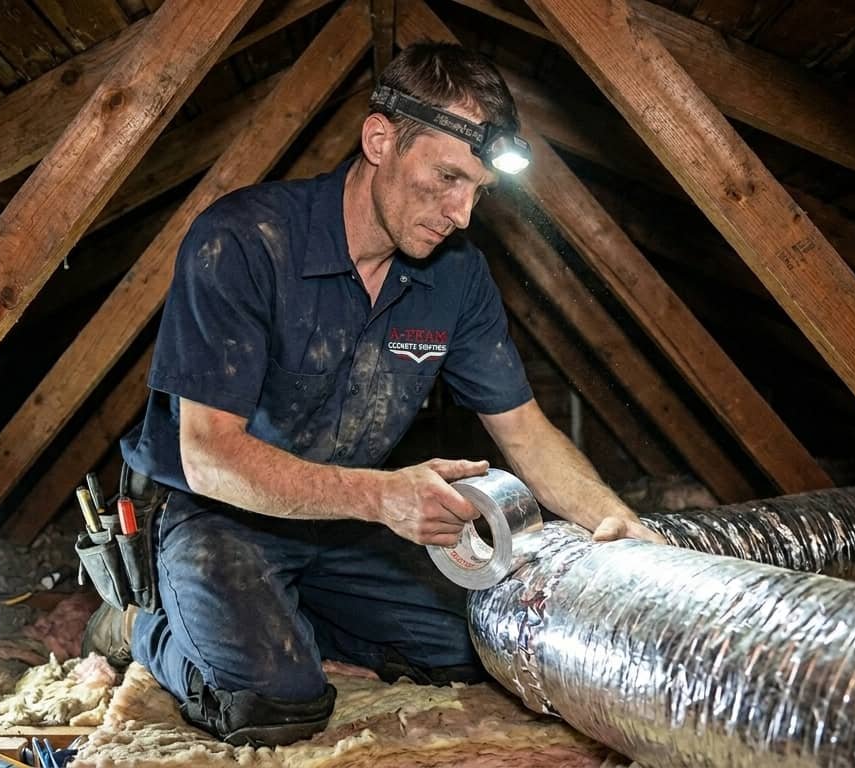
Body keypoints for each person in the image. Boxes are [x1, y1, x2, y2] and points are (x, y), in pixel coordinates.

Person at [84, 42, 664, 747]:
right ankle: (141, 624)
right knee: (272, 702)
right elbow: (209, 457)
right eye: (448, 177)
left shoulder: (458, 276)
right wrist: (383, 498)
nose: (463, 213)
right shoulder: (243, 241)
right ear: (380, 141)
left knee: (479, 647)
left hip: (343, 524)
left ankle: (283, 615)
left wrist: (614, 519)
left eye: (479, 190)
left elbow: (524, 429)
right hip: (218, 514)